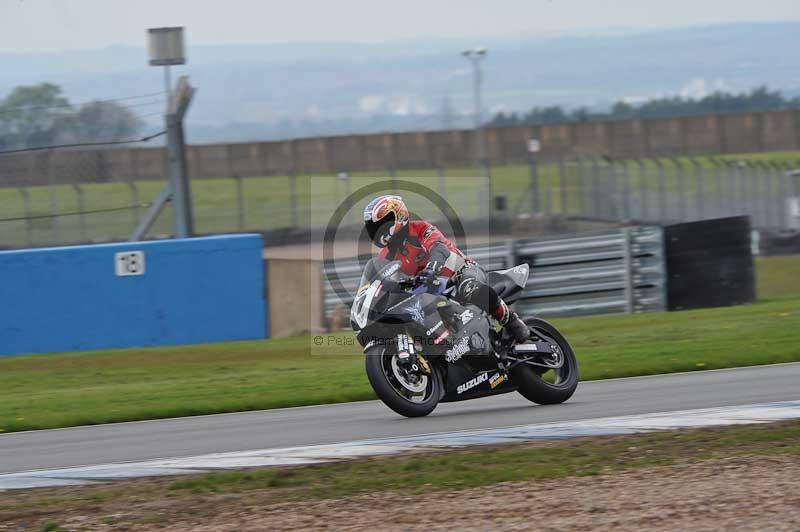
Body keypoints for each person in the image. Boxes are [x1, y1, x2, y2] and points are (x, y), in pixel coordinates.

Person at [362, 194, 529, 344]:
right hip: (431, 290)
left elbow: (439, 248)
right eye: (375, 228)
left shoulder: (420, 229)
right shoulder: (385, 256)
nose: (379, 231)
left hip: (461, 272)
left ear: (399, 216)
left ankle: (511, 321)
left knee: (469, 288)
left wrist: (430, 270)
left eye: (383, 225)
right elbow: (386, 280)